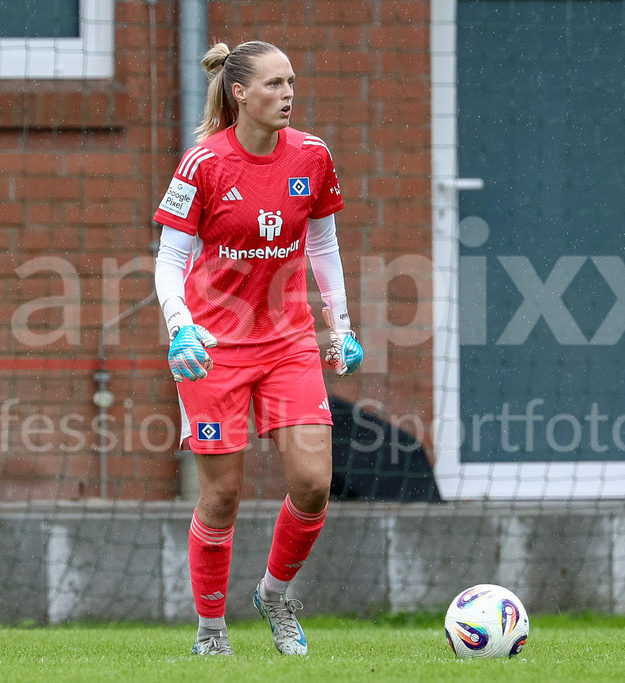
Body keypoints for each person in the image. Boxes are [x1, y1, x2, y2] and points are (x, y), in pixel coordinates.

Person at [153, 40, 363, 656]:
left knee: (312, 482)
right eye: (273, 84)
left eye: (292, 82)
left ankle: (275, 593)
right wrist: (180, 327)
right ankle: (211, 632)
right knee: (221, 496)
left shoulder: (313, 157)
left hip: (288, 343)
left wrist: (341, 326)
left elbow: (323, 246)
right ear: (239, 93)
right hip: (212, 348)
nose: (288, 94)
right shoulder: (203, 164)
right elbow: (169, 261)